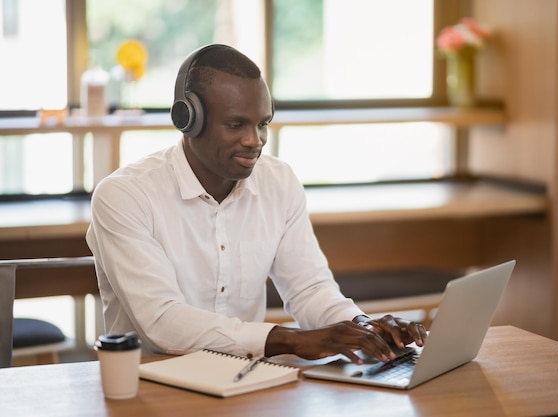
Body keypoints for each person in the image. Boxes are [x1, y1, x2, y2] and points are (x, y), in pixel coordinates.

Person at [86, 44, 427, 364]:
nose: (255, 141)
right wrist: (290, 340)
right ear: (187, 120)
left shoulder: (278, 182)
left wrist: (361, 327)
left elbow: (309, 289)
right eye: (236, 125)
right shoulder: (124, 196)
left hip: (246, 383)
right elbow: (162, 323)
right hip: (150, 383)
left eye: (263, 124)